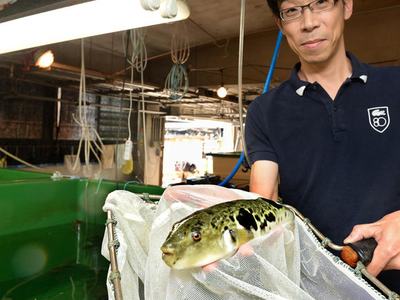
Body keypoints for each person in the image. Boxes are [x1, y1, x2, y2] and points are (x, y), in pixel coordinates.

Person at [245, 0, 400, 293]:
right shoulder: (265, 112)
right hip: (311, 289)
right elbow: (262, 202)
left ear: (347, 7)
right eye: (292, 10)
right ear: (280, 24)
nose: (308, 22)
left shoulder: (396, 87)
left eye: (320, 3)